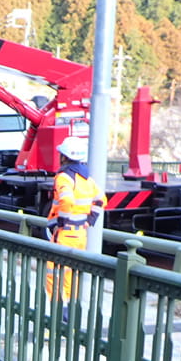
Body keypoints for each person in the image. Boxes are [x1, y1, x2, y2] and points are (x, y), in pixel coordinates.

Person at [45, 135, 106, 318]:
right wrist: (89, 220)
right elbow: (101, 200)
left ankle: (57, 317)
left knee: (54, 275)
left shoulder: (64, 177)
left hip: (65, 235)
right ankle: (70, 316)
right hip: (81, 234)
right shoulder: (87, 178)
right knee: (72, 275)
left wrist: (62, 222)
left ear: (64, 156)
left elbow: (66, 200)